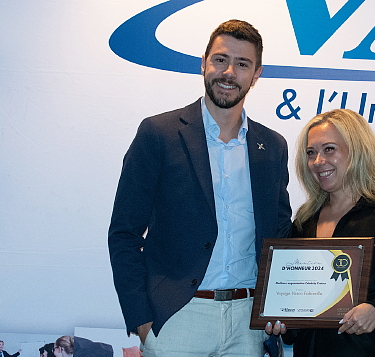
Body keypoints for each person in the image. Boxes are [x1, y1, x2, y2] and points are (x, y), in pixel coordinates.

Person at [108, 19, 292, 356]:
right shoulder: (158, 134)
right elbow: (124, 232)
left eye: (242, 64)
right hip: (177, 318)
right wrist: (142, 320)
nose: (229, 72)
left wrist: (283, 305)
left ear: (257, 74)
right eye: (221, 60)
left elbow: (278, 235)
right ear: (203, 63)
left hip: (247, 324)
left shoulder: (273, 145)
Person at [266, 109, 375, 356]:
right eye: (311, 153)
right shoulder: (304, 222)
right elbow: (297, 304)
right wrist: (283, 323)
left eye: (329, 149)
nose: (318, 161)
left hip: (371, 350)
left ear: (357, 151)